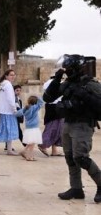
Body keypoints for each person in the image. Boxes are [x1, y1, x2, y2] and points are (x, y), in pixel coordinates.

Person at [43, 54, 101, 202]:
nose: (67, 71)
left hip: (83, 124)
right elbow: (48, 97)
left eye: (68, 68)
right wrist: (56, 79)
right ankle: (76, 188)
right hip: (68, 123)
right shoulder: (68, 83)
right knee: (70, 157)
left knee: (81, 158)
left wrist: (85, 96)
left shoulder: (90, 84)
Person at [0, 69, 19, 155]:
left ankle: (5, 147)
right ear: (6, 76)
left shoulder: (2, 85)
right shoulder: (8, 85)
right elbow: (10, 99)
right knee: (8, 129)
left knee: (5, 129)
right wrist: (14, 109)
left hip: (3, 110)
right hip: (8, 111)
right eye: (11, 75)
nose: (13, 76)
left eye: (14, 75)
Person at [38, 76, 64, 157]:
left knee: (58, 128)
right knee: (53, 128)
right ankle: (43, 144)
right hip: (54, 107)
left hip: (54, 107)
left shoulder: (48, 83)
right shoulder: (54, 83)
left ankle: (54, 150)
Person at [16, 96, 45, 161]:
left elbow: (17, 113)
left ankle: (24, 151)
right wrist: (37, 97)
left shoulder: (25, 108)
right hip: (34, 128)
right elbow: (42, 102)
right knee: (32, 144)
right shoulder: (35, 107)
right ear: (35, 102)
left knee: (30, 142)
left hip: (28, 128)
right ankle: (29, 157)